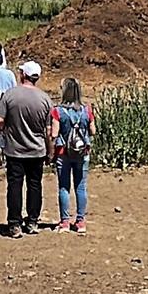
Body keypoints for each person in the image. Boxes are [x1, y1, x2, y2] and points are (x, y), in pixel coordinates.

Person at [0, 61, 56, 238]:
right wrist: (50, 151)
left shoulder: (10, 95)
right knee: (35, 185)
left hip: (15, 149)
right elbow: (48, 130)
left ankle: (14, 223)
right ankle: (33, 221)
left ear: (23, 75)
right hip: (37, 150)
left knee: (15, 185)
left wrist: (7, 127)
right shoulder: (45, 99)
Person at [54, 77, 95, 233]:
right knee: (81, 186)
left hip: (63, 153)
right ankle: (80, 221)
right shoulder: (87, 110)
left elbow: (54, 133)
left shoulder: (58, 111)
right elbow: (93, 131)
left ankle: (65, 221)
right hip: (82, 152)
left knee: (64, 187)